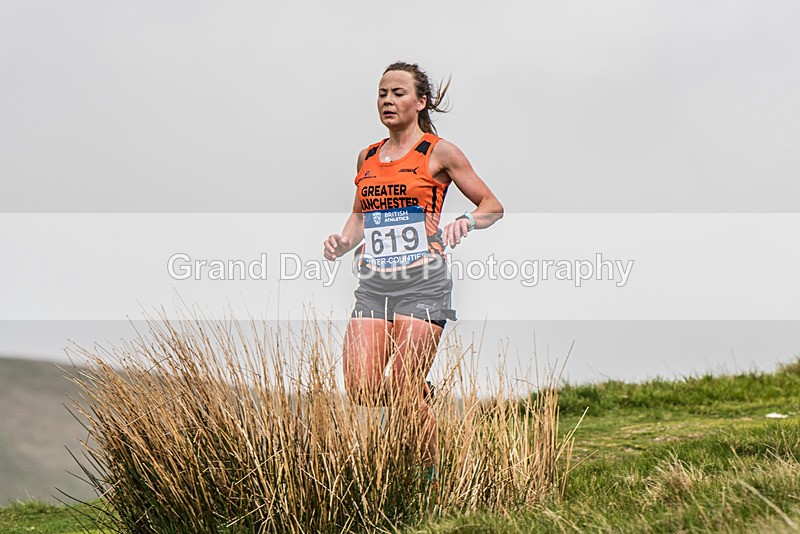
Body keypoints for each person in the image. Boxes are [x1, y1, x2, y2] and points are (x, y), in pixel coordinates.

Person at [323, 61, 503, 475]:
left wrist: (465, 222)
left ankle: (430, 481)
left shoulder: (439, 152)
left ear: (420, 102)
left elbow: (492, 206)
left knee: (403, 392)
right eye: (382, 93)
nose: (388, 100)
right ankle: (422, 390)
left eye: (398, 93)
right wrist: (342, 241)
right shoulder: (366, 156)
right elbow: (358, 218)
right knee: (363, 388)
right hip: (373, 285)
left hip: (424, 283)